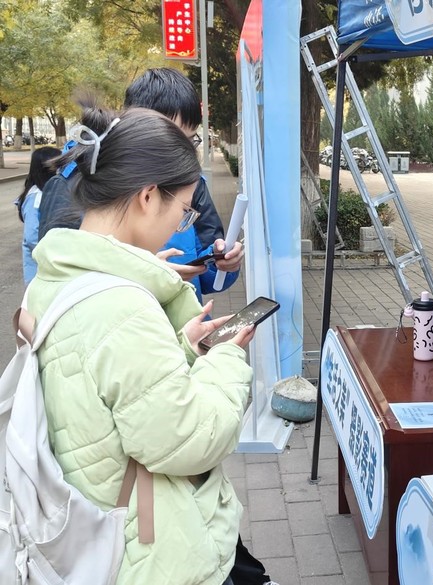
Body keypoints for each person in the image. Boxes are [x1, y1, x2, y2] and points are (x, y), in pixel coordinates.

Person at [26, 103, 254, 585]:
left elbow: (105, 389)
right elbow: (191, 438)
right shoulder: (122, 307)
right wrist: (227, 357)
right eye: (183, 209)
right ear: (148, 196)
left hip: (96, 518)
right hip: (149, 553)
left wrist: (182, 348)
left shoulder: (55, 276)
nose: (181, 223)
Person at [37, 67, 242, 301]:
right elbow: (55, 283)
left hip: (183, 322)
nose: (182, 153)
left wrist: (223, 263)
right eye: (171, 137)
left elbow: (209, 271)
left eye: (189, 141)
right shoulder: (76, 182)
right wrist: (147, 274)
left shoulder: (191, 185)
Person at [15, 146, 60, 284]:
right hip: (39, 271)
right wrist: (54, 255)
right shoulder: (36, 197)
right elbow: (32, 237)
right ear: (47, 169)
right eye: (59, 166)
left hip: (47, 269)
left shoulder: (48, 192)